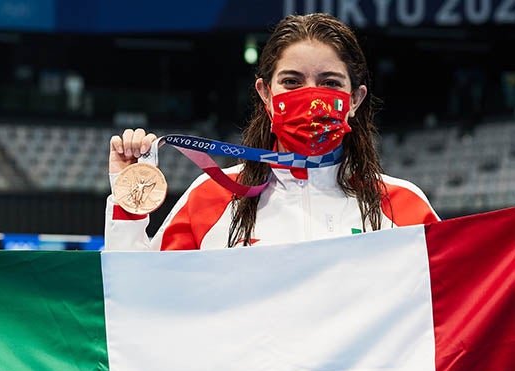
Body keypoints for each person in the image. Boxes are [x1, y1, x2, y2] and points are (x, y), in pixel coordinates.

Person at [105, 13, 439, 251]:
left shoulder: (404, 207)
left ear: (354, 99)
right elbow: (137, 303)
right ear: (266, 94)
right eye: (292, 82)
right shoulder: (211, 198)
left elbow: (453, 311)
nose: (311, 96)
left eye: (330, 83)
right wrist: (129, 202)